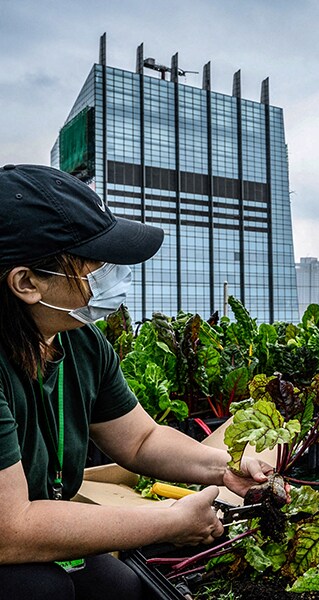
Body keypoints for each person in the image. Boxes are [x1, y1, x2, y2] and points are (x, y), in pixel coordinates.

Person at [0, 164, 275, 599]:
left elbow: (140, 441)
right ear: (27, 282)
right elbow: (10, 529)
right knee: (38, 591)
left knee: (121, 589)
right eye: (97, 262)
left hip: (32, 522)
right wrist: (169, 521)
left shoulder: (81, 343)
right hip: (11, 532)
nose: (115, 272)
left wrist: (225, 468)